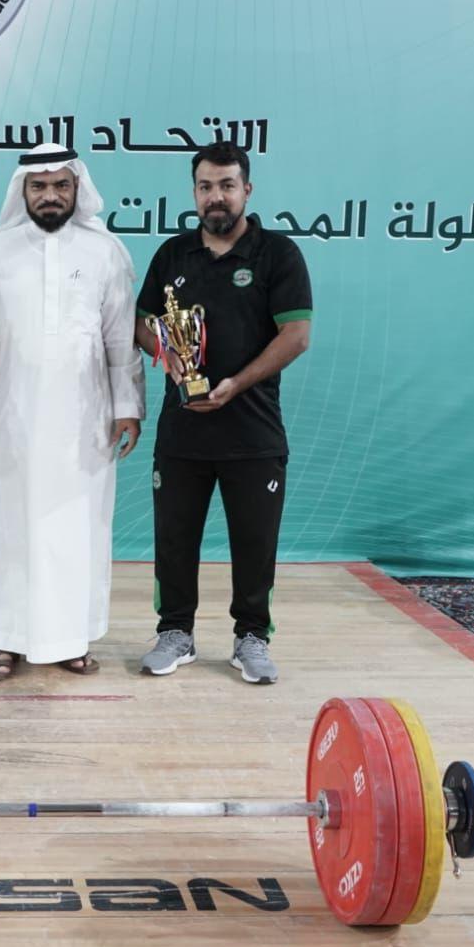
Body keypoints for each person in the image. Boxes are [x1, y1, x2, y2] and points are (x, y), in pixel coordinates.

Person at [0, 143, 144, 681]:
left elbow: (120, 338)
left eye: (61, 185)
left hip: (85, 420)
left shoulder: (105, 251)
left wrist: (128, 407)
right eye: (39, 186)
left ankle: (69, 638)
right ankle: (2, 639)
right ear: (23, 190)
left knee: (76, 528)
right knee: (6, 525)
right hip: (10, 414)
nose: (50, 195)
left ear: (77, 188)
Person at [135, 141, 312, 683]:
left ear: (246, 190)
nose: (216, 197)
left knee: (255, 543)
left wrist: (237, 384)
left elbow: (296, 335)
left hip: (253, 432)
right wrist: (168, 356)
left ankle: (251, 638)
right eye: (206, 186)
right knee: (174, 539)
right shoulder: (172, 254)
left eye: (227, 186)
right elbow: (141, 322)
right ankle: (175, 633)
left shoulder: (277, 253)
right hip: (182, 431)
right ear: (195, 192)